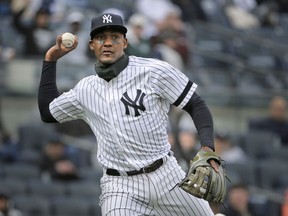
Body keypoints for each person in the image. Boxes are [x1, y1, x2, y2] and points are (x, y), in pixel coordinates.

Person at [38, 12, 220, 215]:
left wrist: (207, 147)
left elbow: (196, 104)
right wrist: (50, 59)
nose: (107, 43)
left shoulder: (154, 71)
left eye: (114, 37)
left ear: (125, 42)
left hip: (166, 175)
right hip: (120, 186)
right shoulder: (85, 89)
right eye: (100, 38)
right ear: (92, 45)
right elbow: (48, 112)